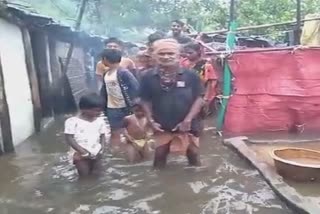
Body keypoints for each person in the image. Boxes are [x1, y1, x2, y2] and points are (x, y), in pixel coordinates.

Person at [140, 39, 204, 169]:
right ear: (155, 56)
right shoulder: (147, 76)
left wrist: (187, 120)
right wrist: (151, 120)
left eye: (170, 53)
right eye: (161, 54)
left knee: (193, 157)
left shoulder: (191, 75)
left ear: (179, 55)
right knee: (159, 157)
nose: (166, 57)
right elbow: (144, 100)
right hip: (162, 124)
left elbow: (200, 99)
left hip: (189, 124)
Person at [100, 49, 139, 151]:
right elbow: (104, 91)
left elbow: (136, 88)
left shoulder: (124, 73)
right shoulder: (106, 74)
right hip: (111, 108)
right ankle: (116, 152)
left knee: (131, 131)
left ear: (105, 59)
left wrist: (135, 107)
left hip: (126, 107)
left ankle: (131, 150)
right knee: (114, 131)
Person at [64, 93, 107, 177]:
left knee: (97, 174)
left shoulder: (100, 121)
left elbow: (102, 135)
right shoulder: (72, 122)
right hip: (79, 153)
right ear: (83, 109)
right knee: (84, 175)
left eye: (100, 110)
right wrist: (83, 152)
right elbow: (69, 138)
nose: (99, 113)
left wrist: (102, 148)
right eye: (96, 110)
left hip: (96, 151)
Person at [181, 42, 218, 115]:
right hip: (186, 93)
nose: (187, 55)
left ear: (198, 52)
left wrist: (206, 98)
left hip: (200, 94)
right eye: (186, 53)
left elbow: (209, 83)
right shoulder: (184, 63)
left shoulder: (206, 65)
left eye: (190, 53)